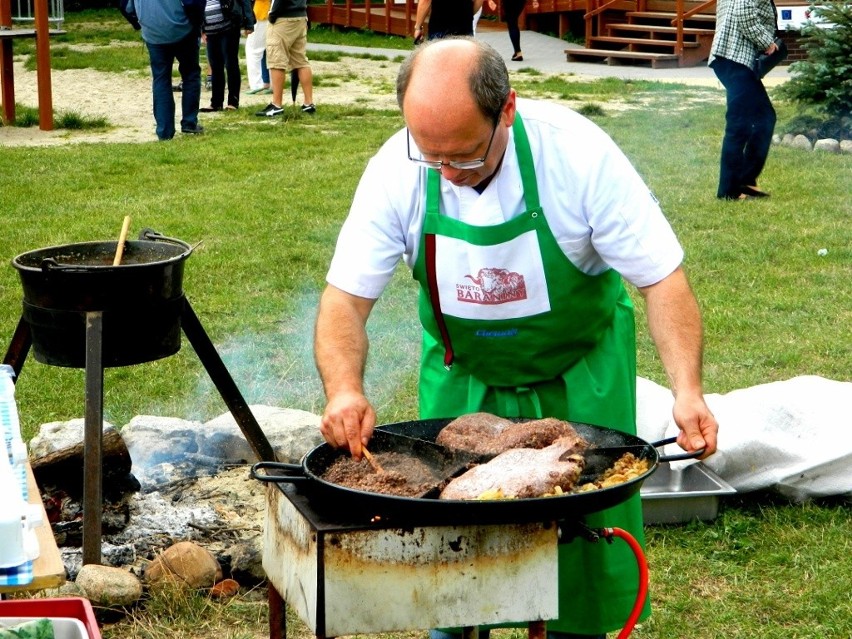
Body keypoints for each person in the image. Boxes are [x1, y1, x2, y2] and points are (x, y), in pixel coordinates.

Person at [314, 38, 719, 639]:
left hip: (579, 373)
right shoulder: (396, 169)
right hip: (464, 377)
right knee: (453, 562)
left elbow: (662, 280)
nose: (447, 172)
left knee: (578, 557)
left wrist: (687, 389)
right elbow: (344, 300)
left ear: (506, 109)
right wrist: (344, 389)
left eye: (465, 156)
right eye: (433, 158)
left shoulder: (578, 155)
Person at [708, 0, 779, 200]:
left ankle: (744, 181)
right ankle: (729, 190)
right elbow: (744, 15)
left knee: (764, 118)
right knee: (740, 125)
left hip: (729, 59)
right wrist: (768, 43)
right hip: (735, 60)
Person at [121, 0, 204, 139]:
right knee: (191, 74)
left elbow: (125, 5)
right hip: (183, 28)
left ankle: (164, 131)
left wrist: (138, 23)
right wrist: (197, 23)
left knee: (161, 79)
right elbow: (193, 3)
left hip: (153, 32)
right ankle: (189, 123)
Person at [255, 0, 315, 116]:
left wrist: (272, 14)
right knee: (301, 61)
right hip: (301, 15)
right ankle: (309, 103)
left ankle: (276, 105)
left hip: (283, 17)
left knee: (276, 60)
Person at [201, 0, 255, 112]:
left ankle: (233, 102)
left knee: (231, 64)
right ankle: (216, 103)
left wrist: (249, 22)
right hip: (210, 29)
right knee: (215, 66)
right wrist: (201, 28)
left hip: (229, 26)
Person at [413, 0, 483, 43]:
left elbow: (425, 1)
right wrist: (469, 14)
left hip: (440, 26)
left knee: (439, 63)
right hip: (465, 27)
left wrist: (418, 27)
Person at [245, 0, 272, 94]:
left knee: (253, 50)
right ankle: (271, 83)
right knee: (268, 49)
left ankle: (256, 84)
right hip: (268, 12)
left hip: (260, 13)